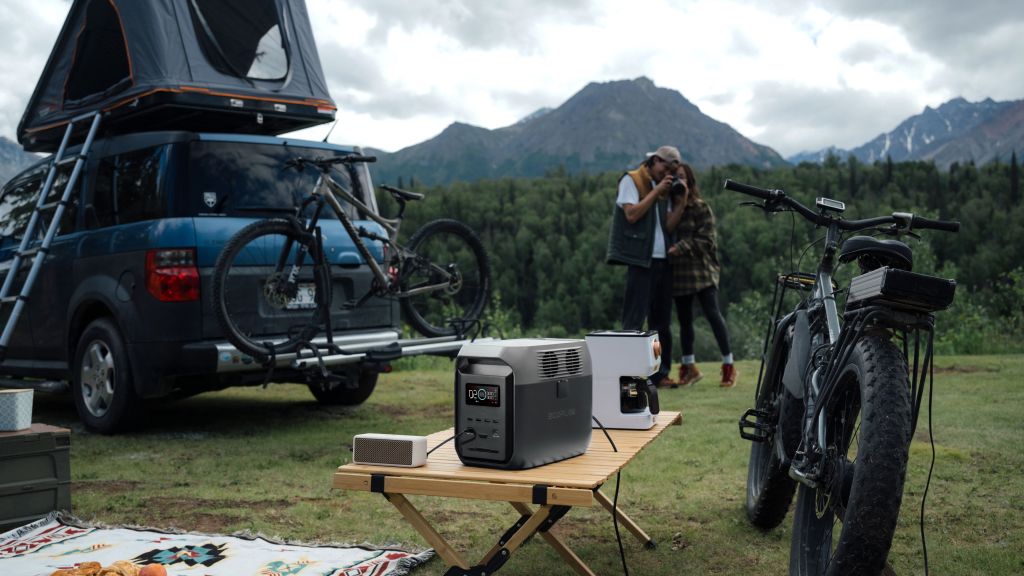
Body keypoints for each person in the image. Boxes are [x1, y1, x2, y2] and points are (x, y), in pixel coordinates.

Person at [606, 145, 681, 386]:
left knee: (661, 323)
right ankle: (628, 374)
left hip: (663, 260)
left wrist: (682, 199)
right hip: (640, 259)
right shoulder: (632, 180)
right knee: (634, 320)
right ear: (655, 161)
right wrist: (656, 191)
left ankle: (661, 374)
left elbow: (668, 226)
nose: (667, 173)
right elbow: (631, 214)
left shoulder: (664, 188)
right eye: (665, 168)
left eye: (672, 170)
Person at [665, 162, 738, 388]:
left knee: (713, 315)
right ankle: (689, 368)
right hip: (680, 273)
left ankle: (728, 366)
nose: (679, 181)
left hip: (702, 271)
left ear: (690, 181)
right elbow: (667, 231)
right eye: (675, 177)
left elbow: (707, 240)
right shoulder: (668, 208)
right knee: (685, 321)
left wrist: (682, 247)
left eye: (682, 177)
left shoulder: (700, 207)